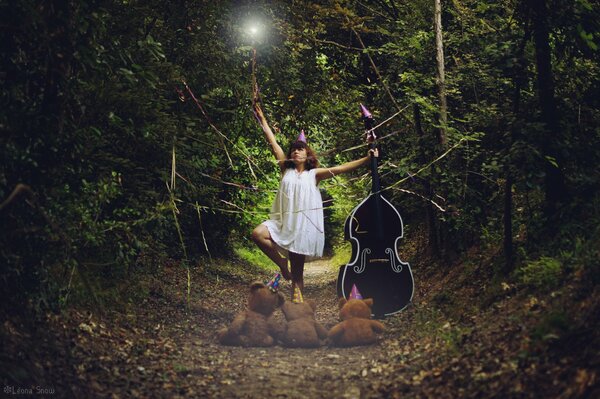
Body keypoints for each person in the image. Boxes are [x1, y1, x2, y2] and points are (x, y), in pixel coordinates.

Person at [251, 99, 378, 300]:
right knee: (257, 234)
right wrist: (262, 118)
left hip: (300, 230)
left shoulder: (314, 174)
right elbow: (272, 141)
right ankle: (282, 264)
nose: (296, 151)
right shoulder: (286, 169)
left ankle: (297, 309)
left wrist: (367, 159)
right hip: (283, 223)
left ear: (307, 154)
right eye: (293, 149)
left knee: (298, 277)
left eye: (300, 149)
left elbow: (340, 168)